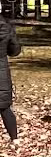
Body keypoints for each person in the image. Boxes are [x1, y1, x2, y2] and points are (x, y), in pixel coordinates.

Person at [0, 11, 19, 143]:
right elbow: (15, 50)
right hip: (2, 73)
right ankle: (15, 139)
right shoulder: (7, 27)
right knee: (5, 108)